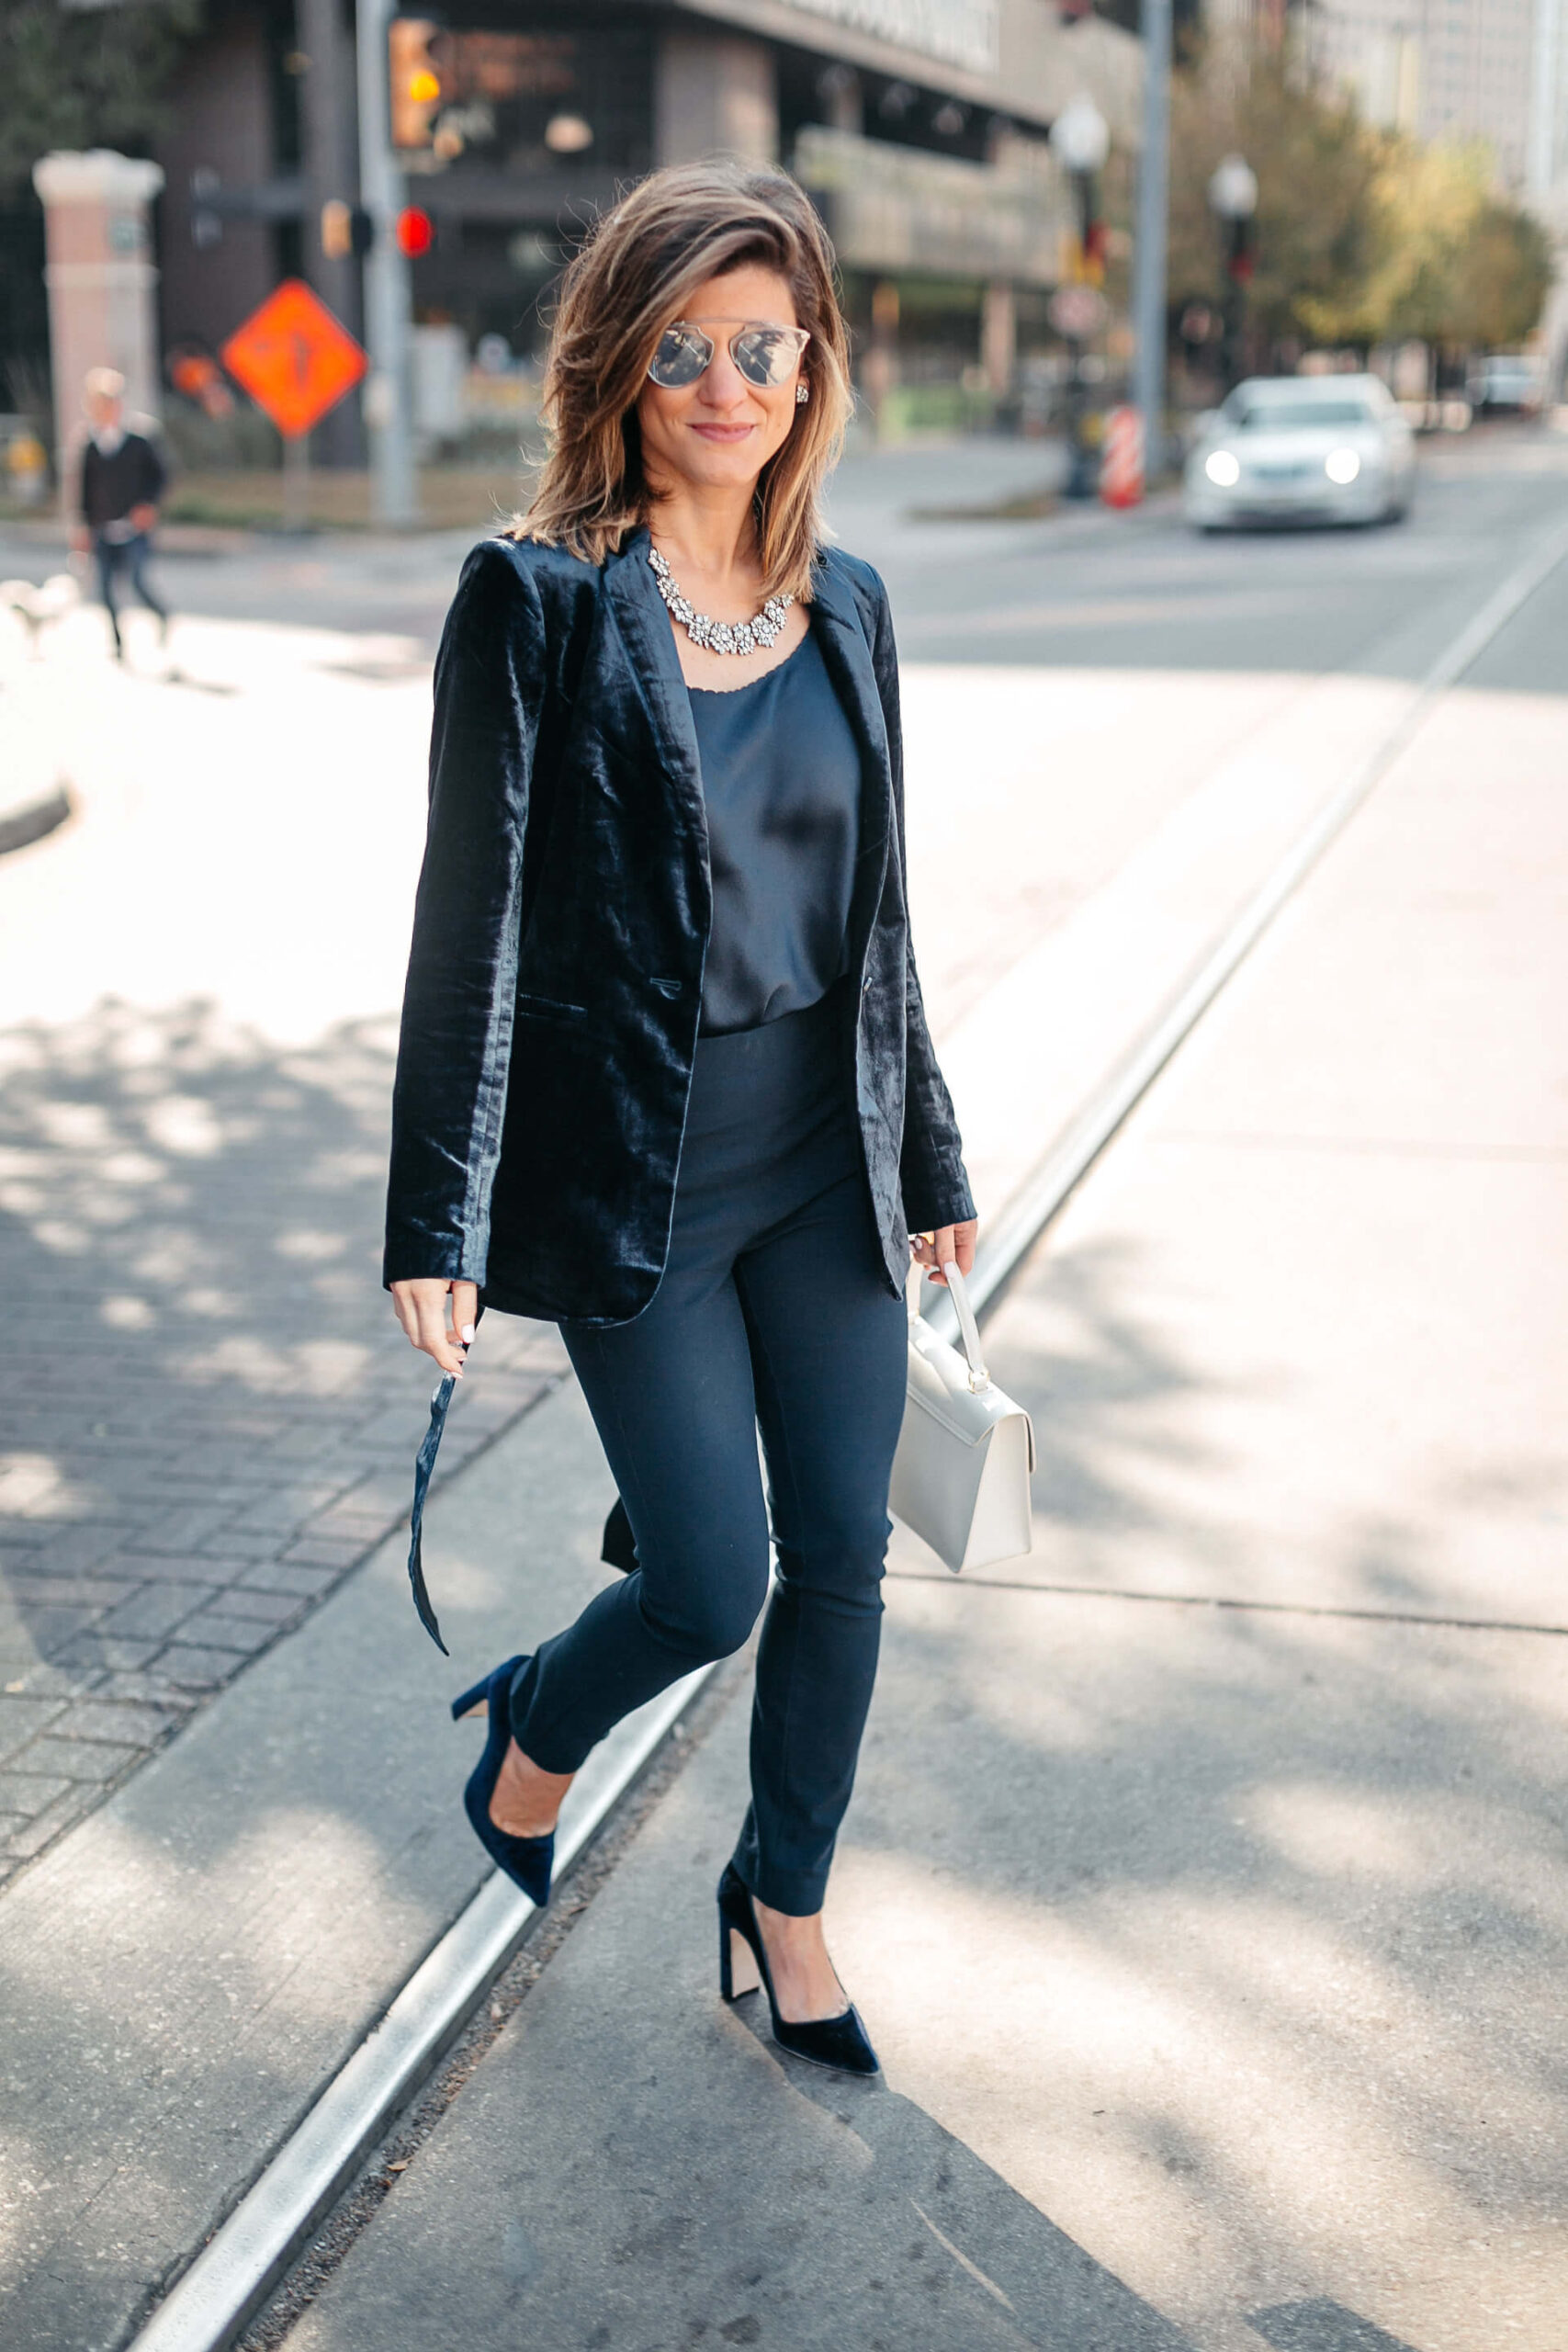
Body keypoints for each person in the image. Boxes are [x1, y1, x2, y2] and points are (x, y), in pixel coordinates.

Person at [385, 161, 977, 2077]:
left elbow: (880, 918)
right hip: (644, 1173)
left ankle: (782, 1894)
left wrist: (933, 1157)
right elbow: (467, 921)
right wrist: (436, 1213)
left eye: (760, 344)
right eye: (682, 347)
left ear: (809, 365)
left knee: (839, 1556)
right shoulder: (539, 605)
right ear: (624, 367)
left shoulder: (850, 602)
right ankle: (535, 1727)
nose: (725, 381)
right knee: (705, 1581)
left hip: (826, 1157)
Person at [71, 367, 170, 662]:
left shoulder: (140, 439)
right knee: (105, 589)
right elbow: (84, 491)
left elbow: (161, 476)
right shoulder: (89, 445)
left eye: (111, 402)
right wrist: (82, 527)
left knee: (137, 580)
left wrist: (148, 504)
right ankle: (117, 642)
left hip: (134, 527)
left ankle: (161, 615)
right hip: (103, 525)